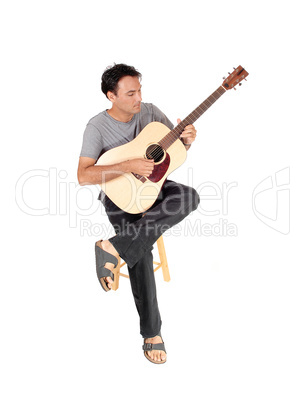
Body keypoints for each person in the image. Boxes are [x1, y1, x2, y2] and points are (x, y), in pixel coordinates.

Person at [77, 63, 199, 364]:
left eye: (140, 91)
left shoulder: (152, 112)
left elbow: (172, 153)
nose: (138, 99)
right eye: (130, 94)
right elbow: (83, 175)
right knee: (141, 250)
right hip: (118, 198)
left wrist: (186, 139)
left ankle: (114, 247)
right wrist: (128, 165)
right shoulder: (96, 127)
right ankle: (152, 333)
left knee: (189, 196)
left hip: (153, 190)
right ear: (111, 96)